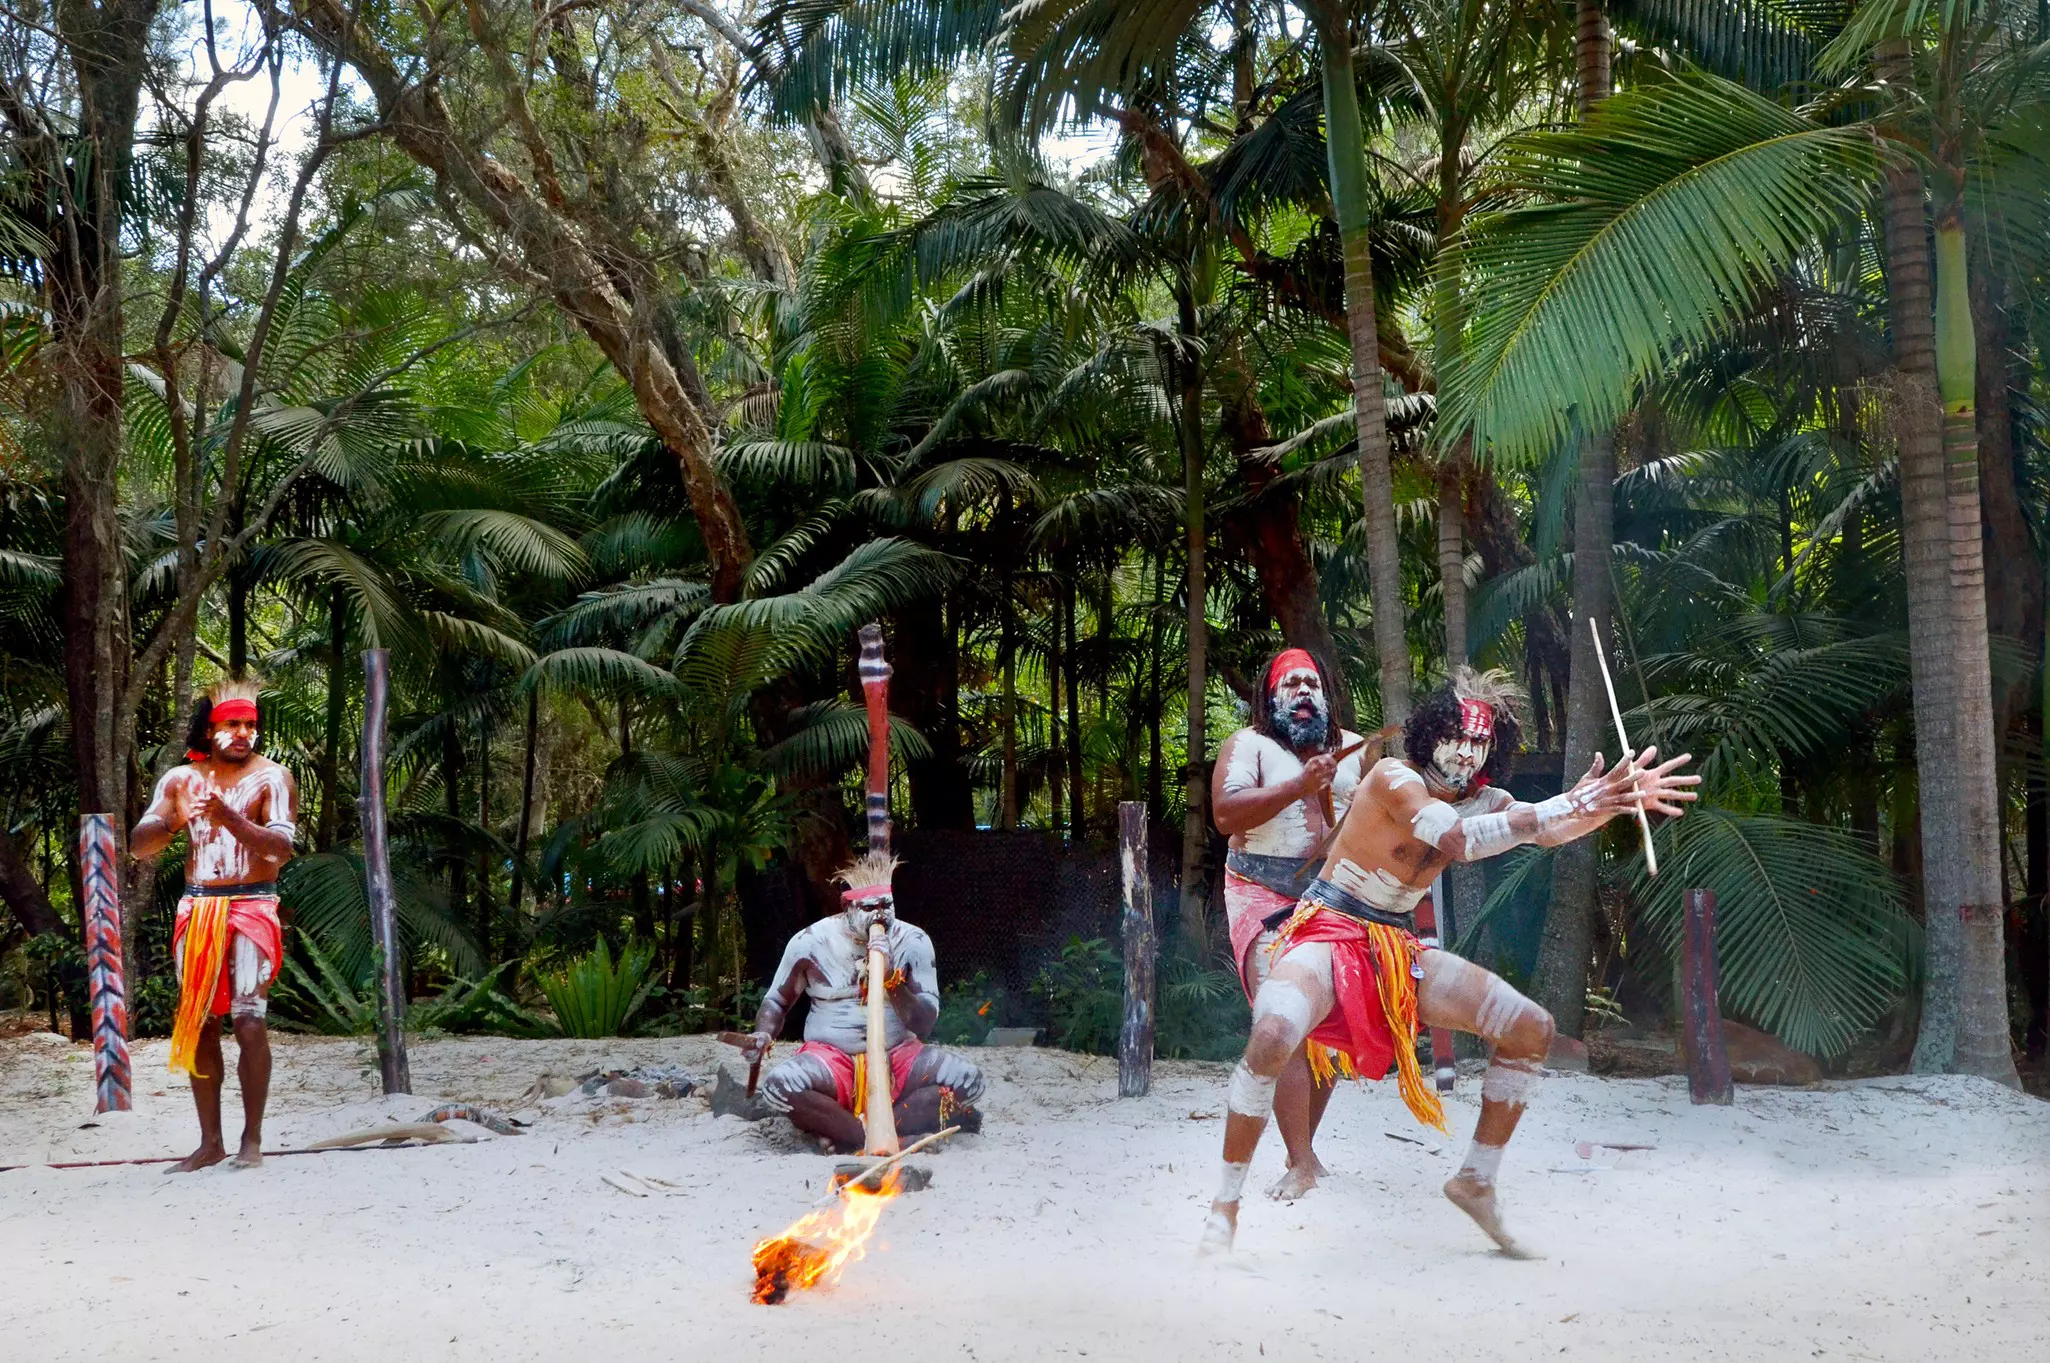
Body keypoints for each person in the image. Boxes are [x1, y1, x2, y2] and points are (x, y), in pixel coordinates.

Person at [1200, 667, 1698, 1257]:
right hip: (1327, 931)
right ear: (1430, 733)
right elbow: (1457, 839)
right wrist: (1568, 803)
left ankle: (1476, 1181)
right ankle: (1224, 1208)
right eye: (1456, 736)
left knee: (1531, 1028)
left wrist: (1609, 803)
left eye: (1480, 741)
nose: (1466, 752)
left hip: (1393, 948)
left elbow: (1550, 828)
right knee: (1276, 1030)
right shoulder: (1392, 778)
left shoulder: (1487, 799)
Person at [1210, 647, 1372, 1201]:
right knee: (1284, 1020)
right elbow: (1227, 815)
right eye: (1291, 684)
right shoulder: (1248, 746)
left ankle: (1304, 1150)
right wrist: (1299, 785)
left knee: (1329, 1030)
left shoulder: (1358, 751)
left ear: (1327, 696)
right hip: (1260, 894)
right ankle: (1300, 1161)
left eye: (1312, 684)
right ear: (1270, 697)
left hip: (1334, 901)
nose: (1303, 692)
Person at [130, 679, 299, 1171]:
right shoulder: (180, 779)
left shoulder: (273, 778)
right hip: (199, 908)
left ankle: (251, 1140)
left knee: (249, 1019)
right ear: (211, 729)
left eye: (250, 725)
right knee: (201, 1023)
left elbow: (281, 850)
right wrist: (170, 822)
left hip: (252, 905)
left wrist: (229, 818)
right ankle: (210, 1142)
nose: (244, 733)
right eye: (233, 724)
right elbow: (141, 846)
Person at [741, 851, 986, 1152]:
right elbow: (776, 1002)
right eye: (869, 908)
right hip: (830, 1060)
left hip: (898, 1055)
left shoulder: (913, 940)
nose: (880, 915)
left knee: (969, 1081)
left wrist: (889, 979)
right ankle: (885, 1139)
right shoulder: (811, 941)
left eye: (887, 905)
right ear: (847, 907)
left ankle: (845, 1134)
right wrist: (763, 1034)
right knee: (778, 1087)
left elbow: (924, 1022)